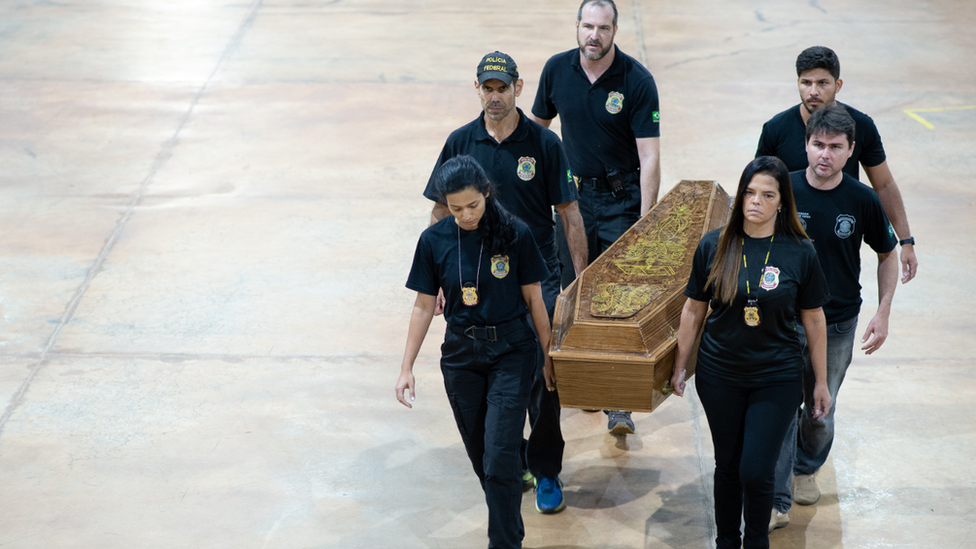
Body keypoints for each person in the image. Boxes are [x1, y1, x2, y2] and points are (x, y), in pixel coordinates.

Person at [424, 51, 588, 514]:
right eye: (487, 88)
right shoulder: (461, 142)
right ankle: (510, 459)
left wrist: (581, 280)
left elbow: (570, 214)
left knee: (543, 373)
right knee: (490, 373)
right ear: (477, 89)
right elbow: (439, 212)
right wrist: (437, 279)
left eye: (503, 88)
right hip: (478, 280)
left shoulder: (544, 143)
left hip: (538, 274)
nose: (495, 97)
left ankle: (547, 468)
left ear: (519, 86)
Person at [669, 156, 832, 549]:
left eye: (767, 195)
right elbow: (693, 309)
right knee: (727, 466)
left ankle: (756, 540)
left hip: (775, 377)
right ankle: (727, 540)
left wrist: (822, 381)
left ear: (782, 203)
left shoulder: (800, 252)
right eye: (749, 192)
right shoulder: (714, 245)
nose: (755, 201)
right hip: (719, 374)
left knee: (756, 471)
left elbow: (813, 319)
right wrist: (679, 365)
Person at [396, 156, 554, 549]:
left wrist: (549, 357)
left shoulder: (515, 233)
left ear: (486, 192)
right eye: (455, 208)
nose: (466, 215)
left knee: (501, 456)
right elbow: (422, 305)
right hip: (461, 356)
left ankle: (503, 543)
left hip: (512, 352)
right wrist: (406, 367)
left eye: (473, 205)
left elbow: (535, 300)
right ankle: (510, 527)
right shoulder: (434, 241)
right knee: (482, 457)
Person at [532, 0, 661, 435]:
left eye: (603, 28)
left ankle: (618, 403)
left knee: (617, 300)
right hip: (571, 201)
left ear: (614, 31)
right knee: (571, 291)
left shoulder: (636, 80)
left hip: (619, 201)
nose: (594, 35)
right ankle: (583, 380)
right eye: (587, 26)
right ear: (577, 27)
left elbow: (650, 155)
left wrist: (645, 222)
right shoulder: (556, 71)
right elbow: (537, 132)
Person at [768, 102, 899, 532]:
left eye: (835, 147)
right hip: (784, 321)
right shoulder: (781, 192)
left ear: (850, 151)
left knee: (820, 408)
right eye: (817, 144)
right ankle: (776, 497)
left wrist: (883, 311)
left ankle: (806, 467)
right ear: (805, 145)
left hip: (838, 321)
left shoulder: (862, 200)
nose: (825, 154)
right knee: (781, 406)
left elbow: (886, 254)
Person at [756, 45, 917, 284]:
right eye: (806, 82)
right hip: (788, 239)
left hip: (839, 236)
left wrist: (906, 241)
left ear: (837, 85)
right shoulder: (776, 129)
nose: (813, 91)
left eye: (822, 83)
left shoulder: (861, 126)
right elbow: (757, 187)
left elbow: (883, 184)